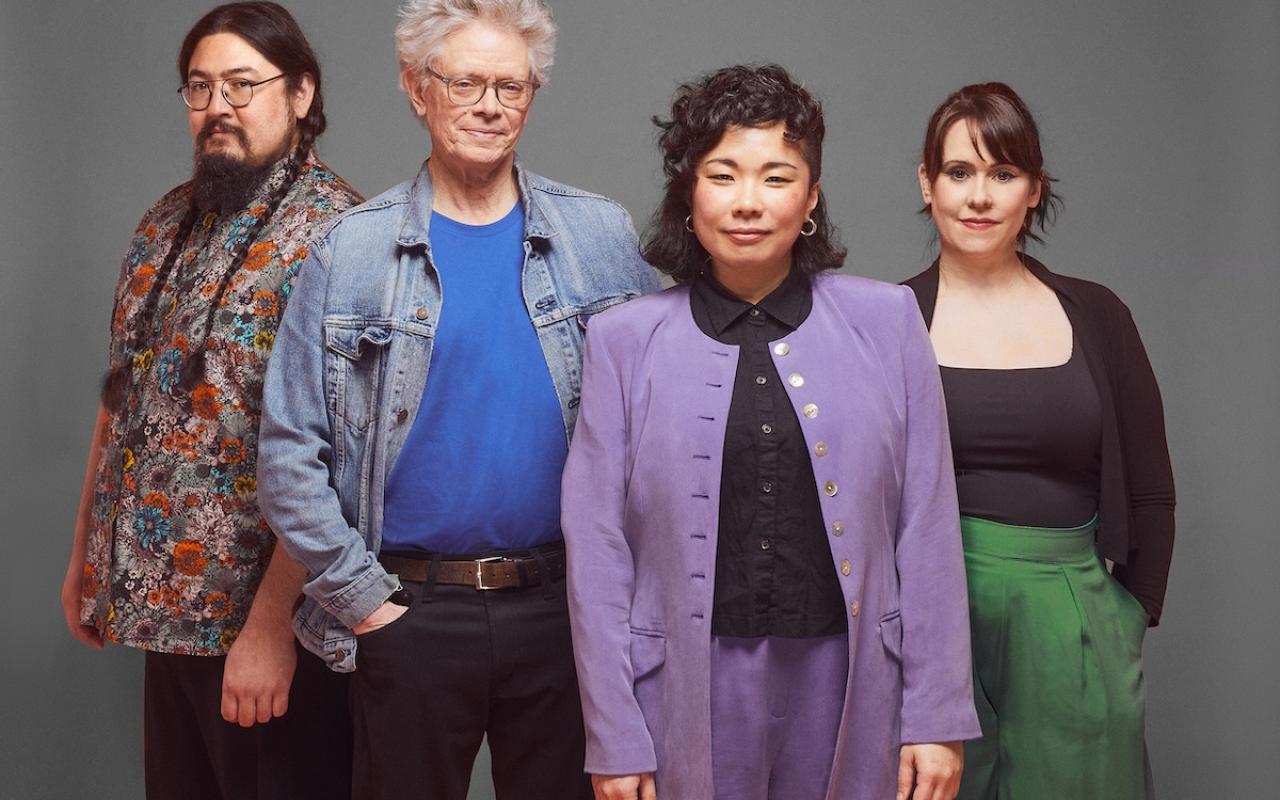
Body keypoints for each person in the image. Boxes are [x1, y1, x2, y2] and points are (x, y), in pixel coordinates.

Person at [255, 1, 660, 798]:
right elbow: (286, 453)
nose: (489, 105)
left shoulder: (601, 237)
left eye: (511, 85)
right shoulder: (353, 251)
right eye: (466, 81)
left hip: (562, 613)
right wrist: (365, 604)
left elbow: (657, 424)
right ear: (416, 87)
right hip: (410, 613)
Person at [563, 64, 981, 800]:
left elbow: (929, 527)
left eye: (777, 178)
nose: (748, 203)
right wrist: (613, 732)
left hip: (853, 679)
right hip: (680, 690)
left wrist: (938, 715)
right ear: (689, 193)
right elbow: (597, 551)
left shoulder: (887, 323)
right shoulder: (623, 341)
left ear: (811, 197)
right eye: (723, 175)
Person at [59, 3, 362, 798]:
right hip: (163, 620)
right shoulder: (164, 221)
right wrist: (85, 559)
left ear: (300, 93)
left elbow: (344, 452)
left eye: (241, 83)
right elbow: (119, 399)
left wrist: (268, 630)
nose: (218, 105)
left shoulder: (342, 237)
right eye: (200, 87)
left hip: (273, 632)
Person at [904, 82, 1176, 800]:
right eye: (959, 172)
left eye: (1003, 173)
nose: (979, 196)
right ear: (927, 184)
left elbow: (1150, 486)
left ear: (1034, 189)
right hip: (932, 625)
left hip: (1074, 621)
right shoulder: (887, 320)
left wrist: (1127, 617)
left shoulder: (1098, 314)